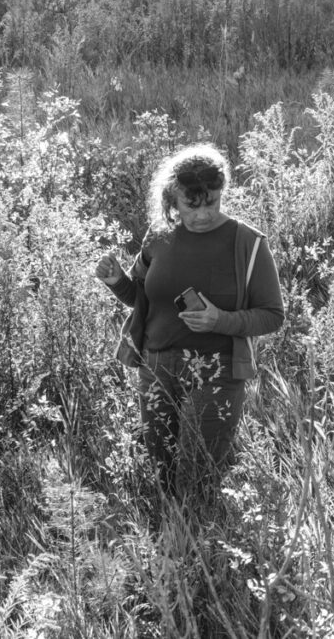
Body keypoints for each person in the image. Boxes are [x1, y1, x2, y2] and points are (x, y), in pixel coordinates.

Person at [95, 143, 284, 503]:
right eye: (191, 205)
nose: (202, 214)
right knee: (161, 475)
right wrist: (117, 281)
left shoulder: (248, 244)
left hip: (217, 371)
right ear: (173, 199)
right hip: (156, 366)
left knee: (196, 480)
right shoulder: (159, 236)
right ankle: (167, 534)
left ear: (221, 192)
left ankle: (198, 536)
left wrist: (220, 320)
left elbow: (273, 315)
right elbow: (143, 300)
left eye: (211, 202)